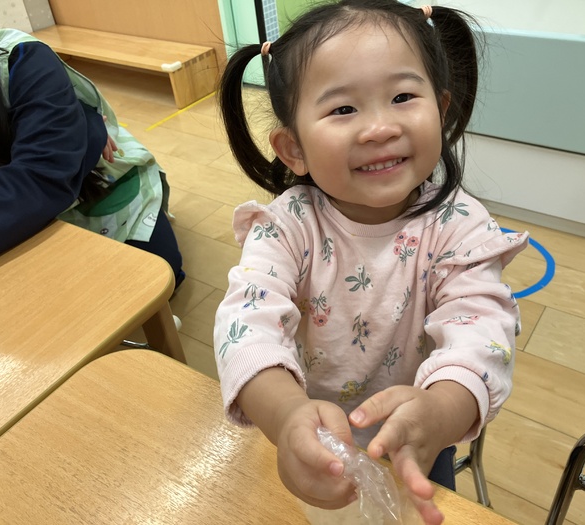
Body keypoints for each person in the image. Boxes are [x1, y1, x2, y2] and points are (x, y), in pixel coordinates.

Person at [213, 1, 528, 523]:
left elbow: (482, 332)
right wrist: (286, 415)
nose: (380, 128)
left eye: (402, 97)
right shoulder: (285, 226)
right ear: (293, 149)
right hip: (314, 435)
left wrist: (440, 412)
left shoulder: (460, 227)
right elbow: (245, 325)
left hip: (418, 435)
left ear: (441, 110)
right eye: (343, 109)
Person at [0, 24, 184, 288]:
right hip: (19, 192)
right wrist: (89, 128)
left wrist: (87, 130)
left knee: (150, 277)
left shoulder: (18, 57)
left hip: (93, 180)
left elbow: (42, 173)